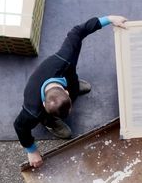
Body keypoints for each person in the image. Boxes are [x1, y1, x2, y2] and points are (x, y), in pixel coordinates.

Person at [14, 15, 127, 168]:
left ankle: (75, 86)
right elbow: (20, 127)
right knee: (51, 122)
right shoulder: (32, 110)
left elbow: (78, 31)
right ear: (42, 103)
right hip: (51, 102)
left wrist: (110, 19)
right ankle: (50, 122)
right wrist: (31, 150)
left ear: (65, 93)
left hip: (68, 78)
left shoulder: (64, 59)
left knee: (73, 81)